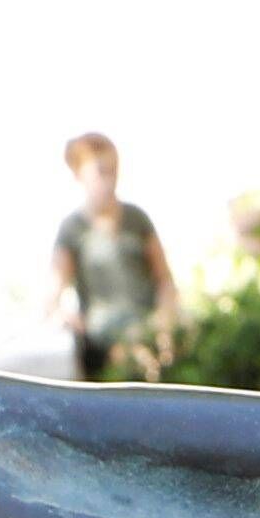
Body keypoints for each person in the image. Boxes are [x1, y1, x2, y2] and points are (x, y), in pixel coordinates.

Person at [53, 132, 180, 380]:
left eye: (113, 170)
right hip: (103, 343)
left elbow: (165, 280)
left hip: (147, 331)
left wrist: (164, 324)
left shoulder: (137, 219)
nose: (109, 180)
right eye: (100, 171)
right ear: (80, 175)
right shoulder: (73, 229)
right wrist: (65, 316)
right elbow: (53, 291)